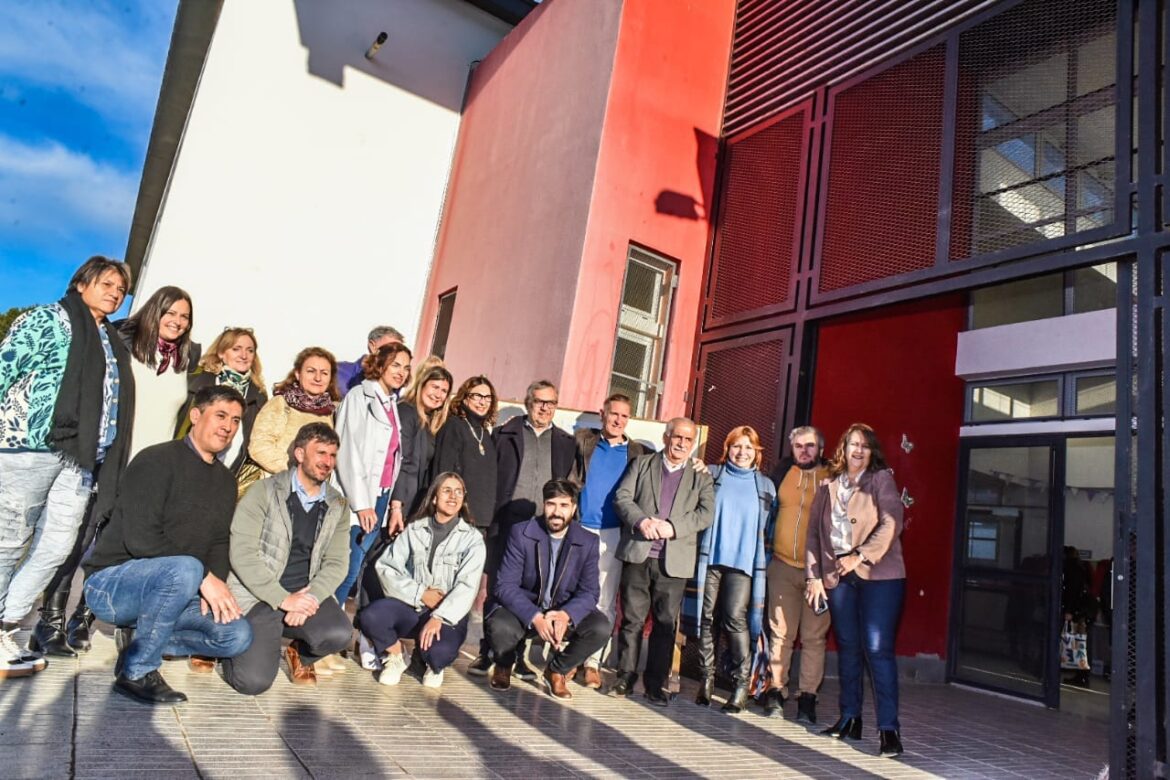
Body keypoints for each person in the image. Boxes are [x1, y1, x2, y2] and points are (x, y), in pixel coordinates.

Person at [0, 257, 135, 677]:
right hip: (30, 447)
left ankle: (5, 624)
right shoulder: (47, 319)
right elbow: (4, 369)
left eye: (120, 289)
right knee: (9, 541)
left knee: (59, 546)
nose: (114, 292)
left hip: (81, 460)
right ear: (81, 283)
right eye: (106, 283)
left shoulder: (111, 340)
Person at [82, 385, 253, 704]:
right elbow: (141, 538)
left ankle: (139, 637)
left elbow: (218, 541)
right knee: (187, 567)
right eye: (220, 415)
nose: (228, 426)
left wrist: (216, 583)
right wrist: (203, 577)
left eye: (235, 419)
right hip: (112, 584)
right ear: (195, 415)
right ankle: (136, 670)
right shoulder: (155, 460)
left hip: (177, 587)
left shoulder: (226, 481)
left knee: (236, 635)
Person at [221, 423, 352, 693]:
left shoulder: (338, 505)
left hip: (303, 594)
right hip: (260, 596)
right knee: (252, 683)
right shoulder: (264, 492)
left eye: (332, 455)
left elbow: (338, 562)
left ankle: (299, 654)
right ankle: (228, 644)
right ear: (300, 454)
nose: (327, 462)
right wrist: (283, 599)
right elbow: (242, 552)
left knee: (339, 633)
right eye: (320, 453)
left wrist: (312, 597)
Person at [806, 423, 906, 758]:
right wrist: (813, 576)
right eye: (852, 445)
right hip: (837, 578)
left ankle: (889, 730)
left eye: (864, 445)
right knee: (847, 647)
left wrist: (860, 555)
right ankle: (849, 718)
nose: (858, 451)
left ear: (871, 450)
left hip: (880, 577)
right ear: (842, 449)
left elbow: (892, 521)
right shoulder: (827, 485)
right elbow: (813, 537)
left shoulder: (881, 480)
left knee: (877, 650)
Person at [468, 380, 574, 677]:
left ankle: (517, 656)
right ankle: (488, 652)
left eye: (551, 403)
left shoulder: (566, 443)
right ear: (529, 403)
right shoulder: (505, 434)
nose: (545, 408)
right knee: (496, 590)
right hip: (506, 524)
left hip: (543, 530)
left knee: (532, 591)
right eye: (539, 401)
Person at [611, 417, 715, 706]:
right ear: (667, 437)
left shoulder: (701, 476)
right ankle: (625, 677)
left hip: (674, 562)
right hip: (638, 553)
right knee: (631, 620)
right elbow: (622, 497)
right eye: (677, 437)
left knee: (665, 625)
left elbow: (706, 513)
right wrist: (641, 521)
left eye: (688, 440)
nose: (681, 443)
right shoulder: (642, 465)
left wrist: (674, 528)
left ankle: (655, 684)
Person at [357, 472, 485, 689]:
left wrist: (439, 616)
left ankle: (430, 662)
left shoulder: (473, 539)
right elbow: (387, 567)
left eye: (458, 492)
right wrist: (420, 593)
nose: (453, 496)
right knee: (370, 616)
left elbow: (467, 586)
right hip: (411, 606)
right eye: (446, 490)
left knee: (438, 654)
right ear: (434, 498)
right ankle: (396, 656)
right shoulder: (414, 530)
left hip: (447, 615)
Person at [485, 479, 610, 699]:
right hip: (526, 608)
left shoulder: (587, 541)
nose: (556, 512)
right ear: (544, 505)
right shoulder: (522, 532)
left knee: (600, 627)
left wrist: (566, 614)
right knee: (499, 624)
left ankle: (557, 670)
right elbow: (505, 585)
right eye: (551, 504)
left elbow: (590, 592)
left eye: (564, 505)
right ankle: (504, 663)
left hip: (561, 611)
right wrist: (535, 616)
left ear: (573, 508)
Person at [685, 426, 774, 713]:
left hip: (744, 563)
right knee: (706, 616)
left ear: (757, 452)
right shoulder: (712, 474)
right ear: (727, 448)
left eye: (749, 447)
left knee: (736, 618)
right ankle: (707, 680)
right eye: (737, 446)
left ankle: (740, 684)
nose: (742, 452)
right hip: (710, 558)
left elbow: (770, 529)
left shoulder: (766, 487)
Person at [568, 393, 645, 688]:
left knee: (604, 599)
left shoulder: (638, 452)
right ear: (603, 414)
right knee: (574, 594)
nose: (618, 420)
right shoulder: (583, 441)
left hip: (613, 532)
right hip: (580, 528)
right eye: (614, 414)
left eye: (624, 416)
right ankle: (570, 657)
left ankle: (593, 662)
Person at [334, 342, 413, 606]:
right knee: (346, 567)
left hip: (379, 495)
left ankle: (329, 624)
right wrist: (362, 505)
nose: (401, 372)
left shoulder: (391, 402)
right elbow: (348, 451)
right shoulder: (359, 397)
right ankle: (321, 628)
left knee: (353, 567)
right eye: (395, 365)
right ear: (380, 364)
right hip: (359, 497)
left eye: (406, 367)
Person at [763, 425, 831, 720]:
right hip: (782, 566)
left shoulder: (833, 478)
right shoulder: (780, 474)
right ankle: (776, 692)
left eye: (811, 446)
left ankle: (808, 698)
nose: (805, 451)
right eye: (799, 446)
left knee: (814, 637)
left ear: (821, 449)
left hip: (820, 574)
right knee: (780, 633)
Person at [116, 285, 199, 460]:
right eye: (170, 313)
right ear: (155, 311)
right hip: (117, 456)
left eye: (184, 317)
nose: (177, 321)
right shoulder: (125, 346)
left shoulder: (186, 361)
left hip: (156, 464)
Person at [176, 327, 268, 483]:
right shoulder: (196, 382)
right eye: (236, 349)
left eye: (250, 350)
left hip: (224, 476)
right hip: (183, 469)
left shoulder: (259, 397)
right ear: (221, 353)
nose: (244, 355)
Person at [249, 347, 339, 477]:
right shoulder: (281, 403)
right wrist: (295, 473)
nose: (317, 378)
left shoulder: (332, 411)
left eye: (324, 373)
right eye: (311, 371)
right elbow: (259, 446)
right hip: (278, 484)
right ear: (298, 373)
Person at [429, 376, 498, 543]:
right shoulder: (454, 427)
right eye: (477, 396)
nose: (483, 402)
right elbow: (443, 472)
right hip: (456, 519)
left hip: (480, 521)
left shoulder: (485, 433)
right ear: (465, 398)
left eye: (488, 398)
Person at [392, 364, 453, 518]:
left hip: (412, 502)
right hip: (397, 501)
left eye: (444, 391)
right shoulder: (407, 412)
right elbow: (401, 461)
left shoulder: (430, 422)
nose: (438, 394)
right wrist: (396, 507)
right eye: (435, 387)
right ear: (422, 385)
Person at [336, 326, 404, 396]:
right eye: (390, 349)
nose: (396, 355)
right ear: (372, 346)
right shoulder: (338, 372)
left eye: (399, 351)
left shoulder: (394, 383)